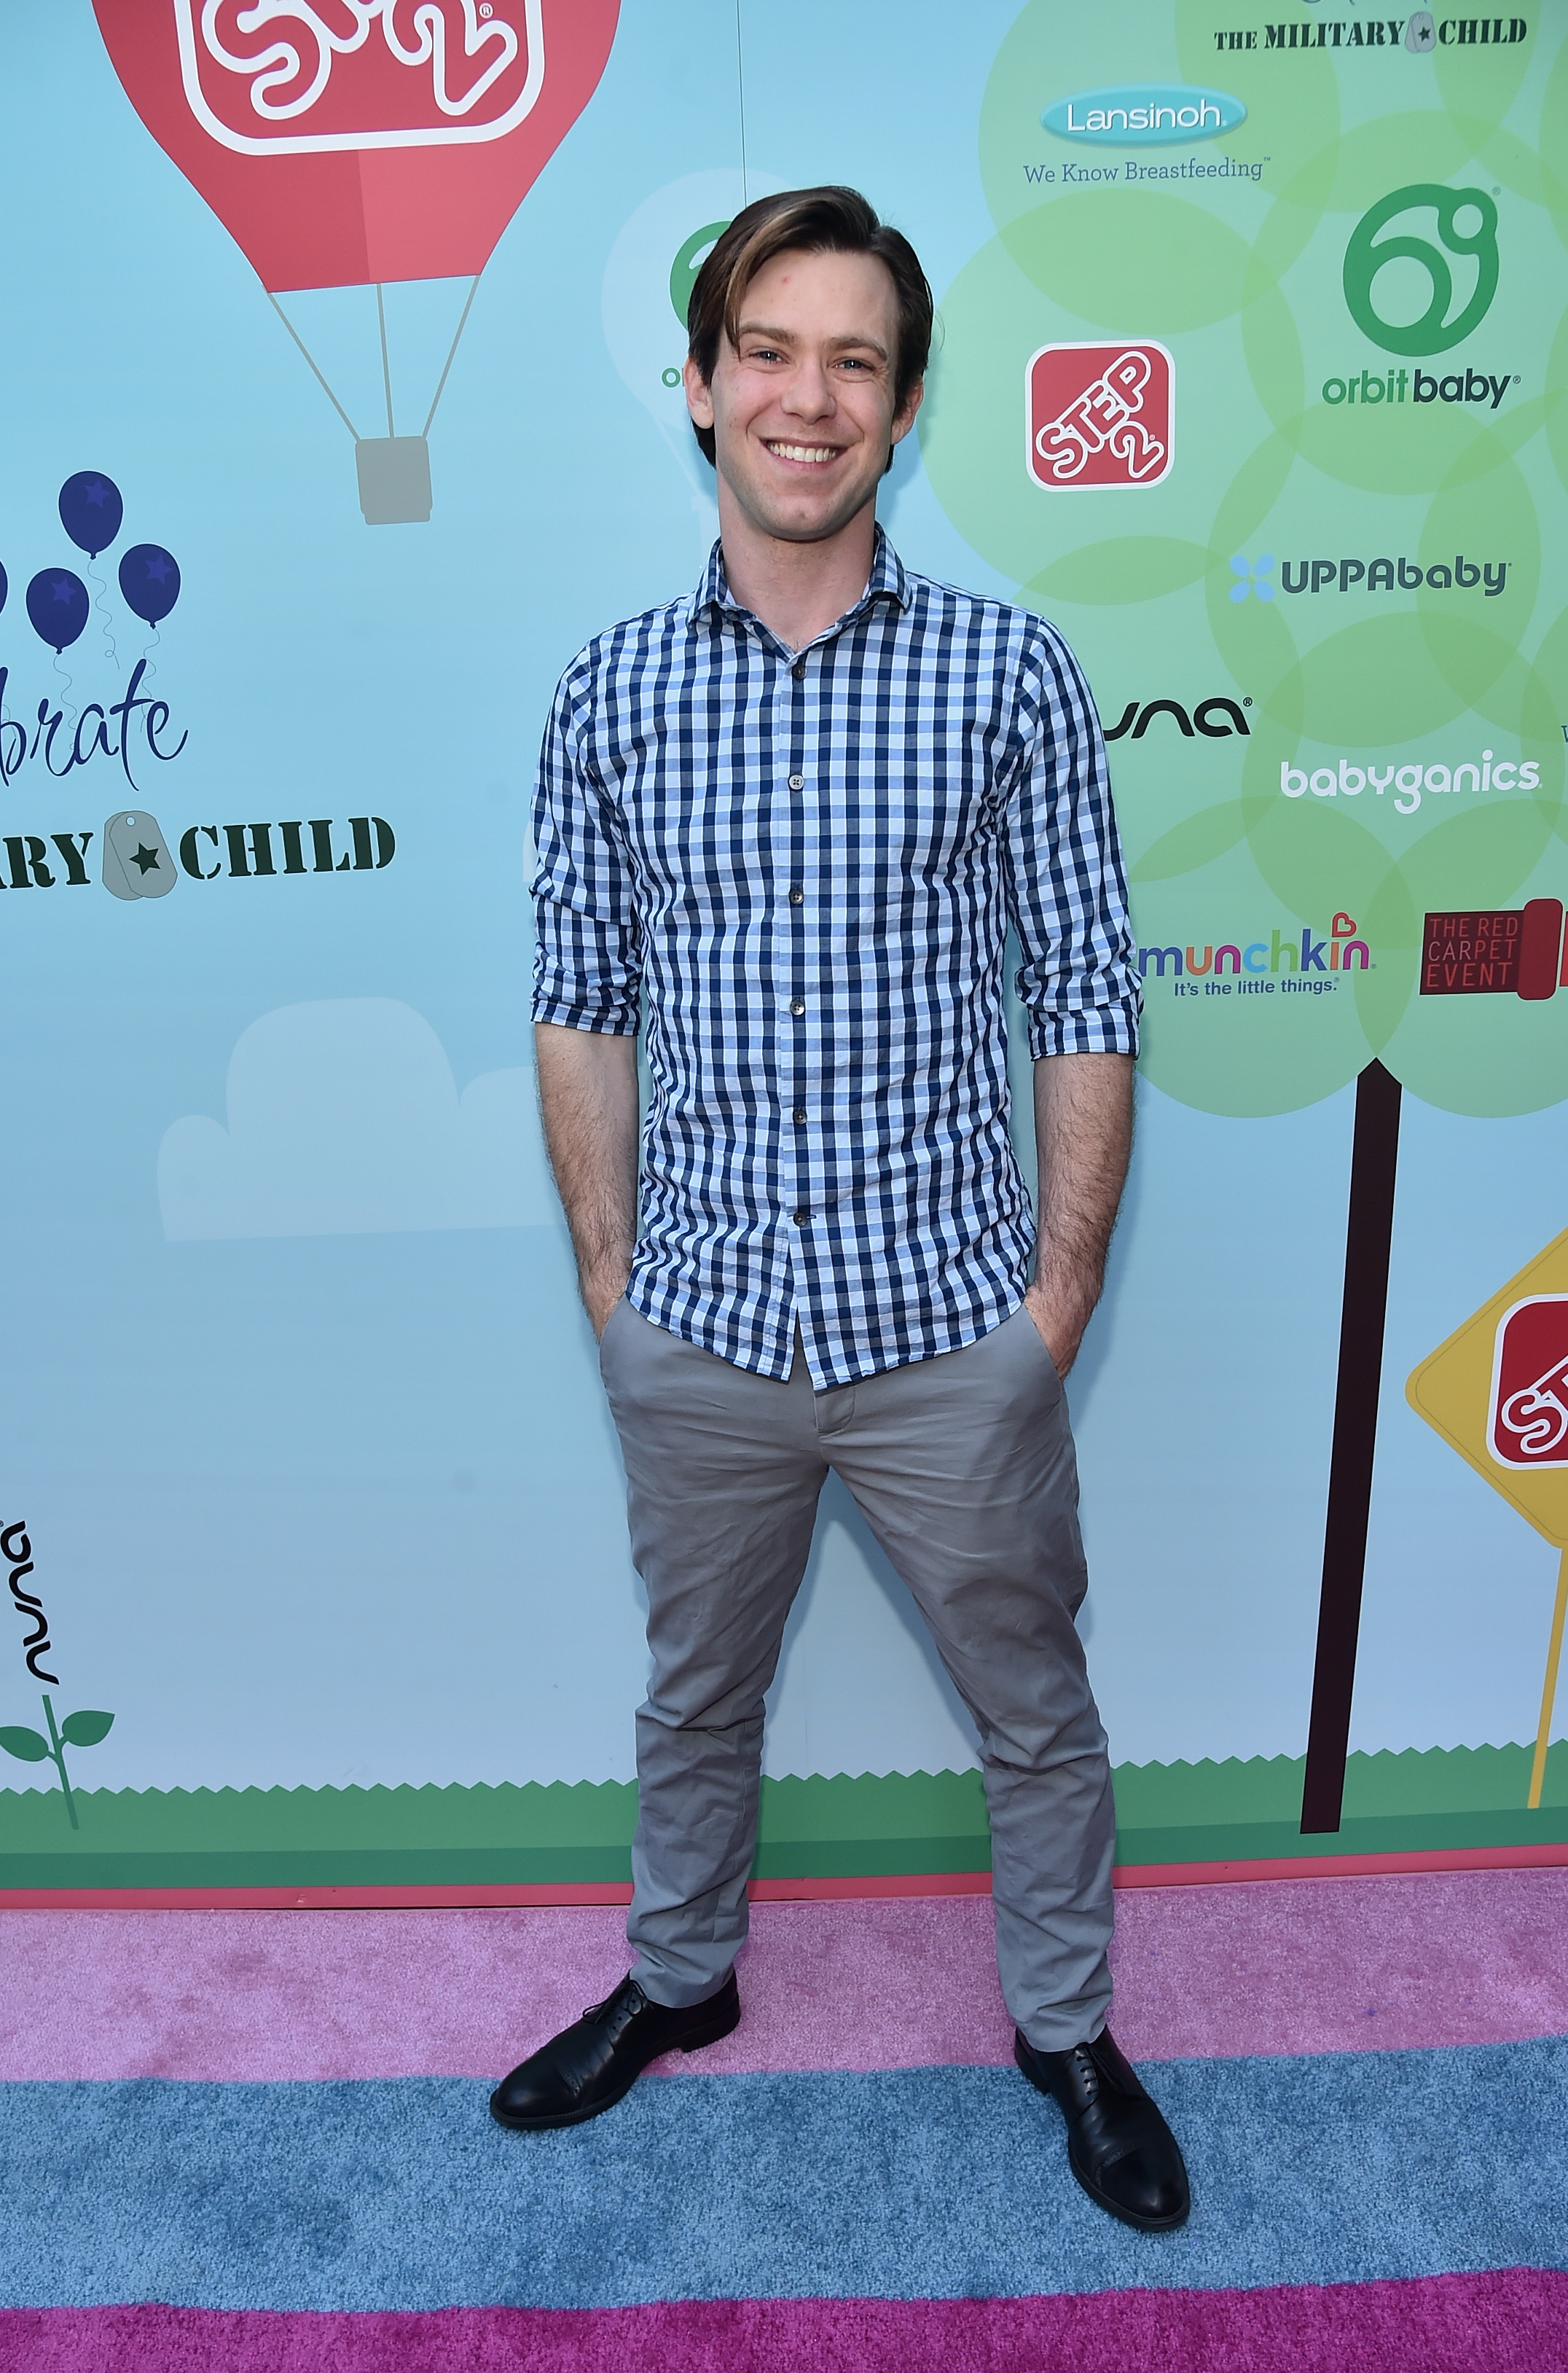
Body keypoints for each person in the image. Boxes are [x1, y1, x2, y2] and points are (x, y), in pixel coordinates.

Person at [492, 187, 1188, 2234]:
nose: (810, 399)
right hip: (699, 1324)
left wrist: (1054, 1301)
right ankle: (678, 1979)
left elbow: (1084, 989)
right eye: (771, 353)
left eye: (856, 361)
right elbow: (578, 1001)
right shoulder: (609, 693)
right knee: (695, 1695)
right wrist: (615, 1285)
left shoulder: (1009, 671)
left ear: (903, 404)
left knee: (1035, 1714)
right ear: (701, 386)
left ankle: (1068, 2031)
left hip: (950, 1328)